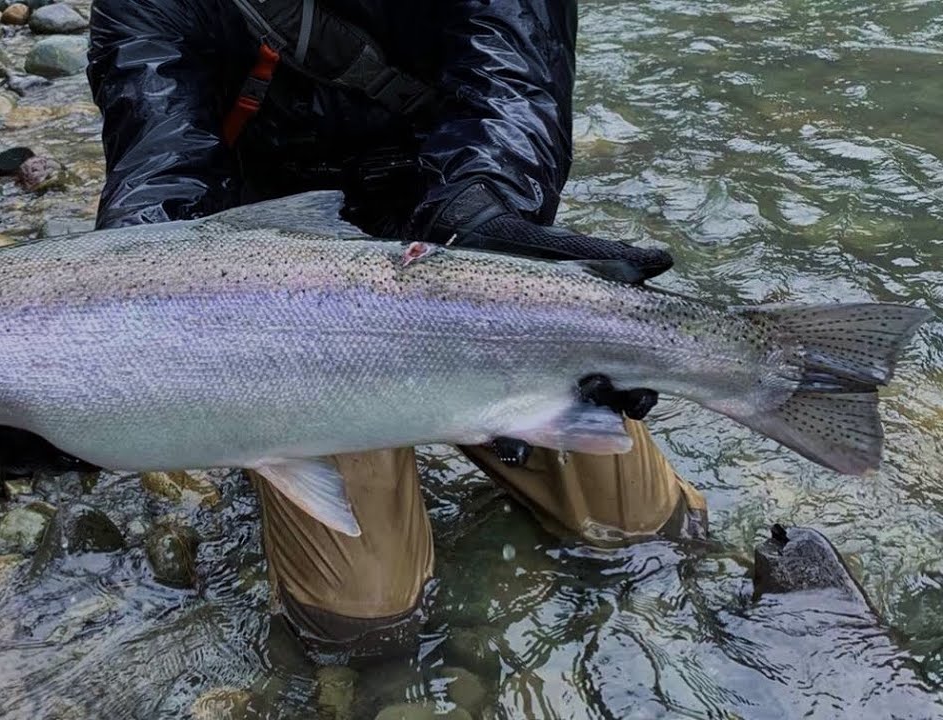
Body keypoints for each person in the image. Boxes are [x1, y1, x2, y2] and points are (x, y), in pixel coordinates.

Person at [87, 0, 708, 657]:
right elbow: (159, 172)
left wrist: (487, 217)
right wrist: (112, 362)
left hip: (450, 248)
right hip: (284, 298)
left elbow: (512, 83)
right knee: (363, 620)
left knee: (646, 529)